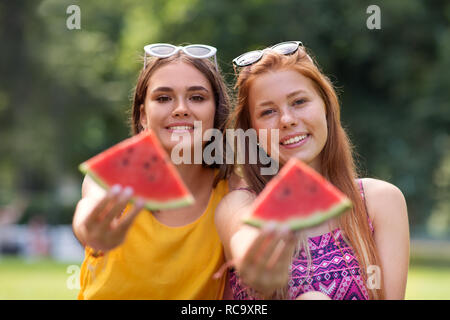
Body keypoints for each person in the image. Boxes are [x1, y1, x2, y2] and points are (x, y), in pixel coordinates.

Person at [215, 41, 409, 300]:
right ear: (253, 132)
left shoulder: (380, 201)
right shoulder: (239, 203)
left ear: (326, 107)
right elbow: (242, 235)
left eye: (299, 101)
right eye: (268, 111)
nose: (287, 119)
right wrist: (253, 255)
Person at [72, 43, 233, 299]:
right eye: (163, 98)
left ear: (216, 112)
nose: (181, 108)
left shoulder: (231, 189)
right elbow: (90, 207)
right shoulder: (111, 178)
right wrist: (89, 228)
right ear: (143, 115)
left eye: (197, 97)